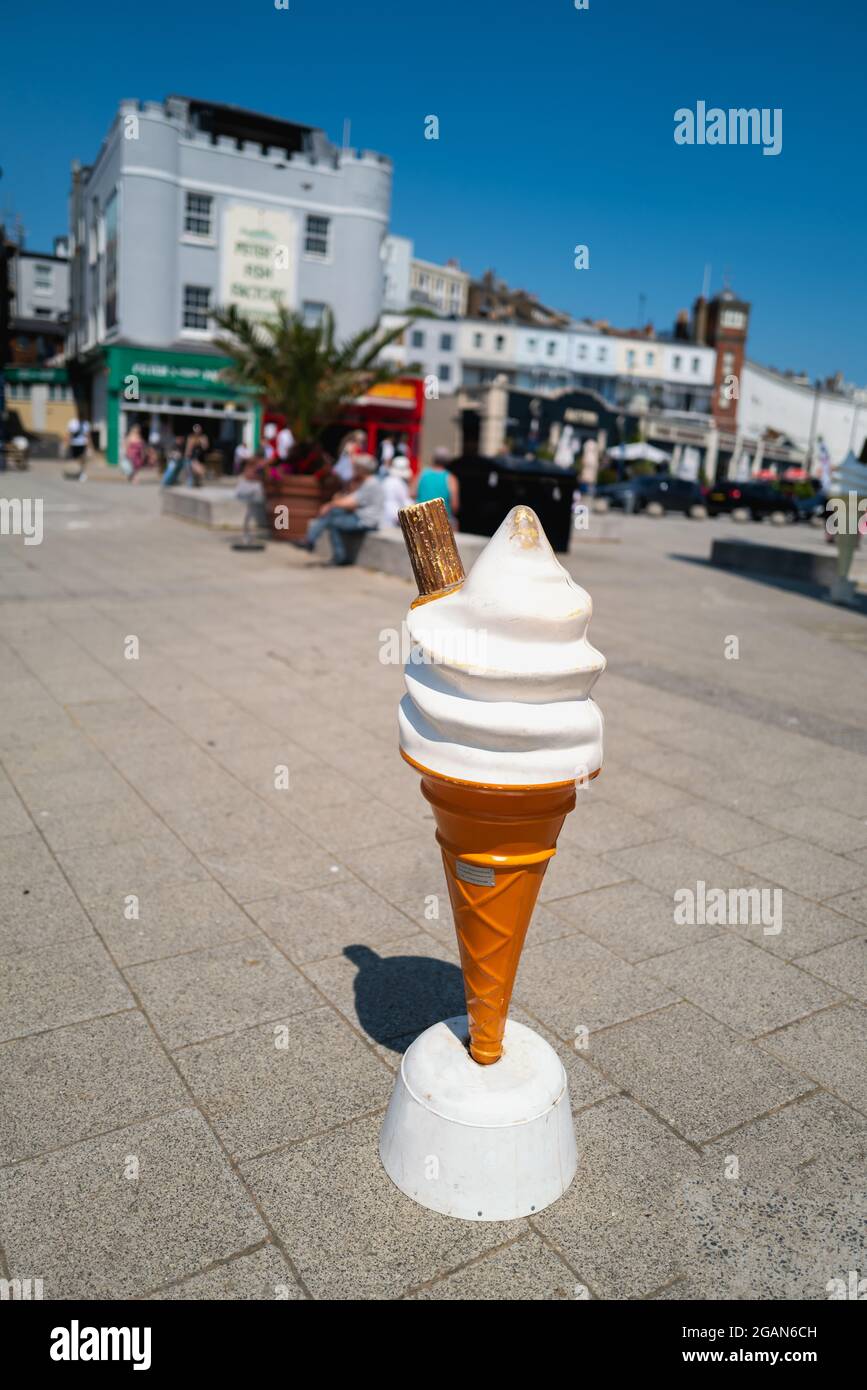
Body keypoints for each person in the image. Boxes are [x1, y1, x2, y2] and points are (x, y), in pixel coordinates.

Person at [293, 452, 383, 565]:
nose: (353, 470)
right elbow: (349, 499)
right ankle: (312, 542)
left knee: (332, 520)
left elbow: (352, 503)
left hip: (365, 521)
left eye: (355, 467)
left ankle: (315, 543)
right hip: (360, 517)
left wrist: (330, 504)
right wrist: (335, 502)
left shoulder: (371, 483)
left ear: (362, 469)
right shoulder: (367, 482)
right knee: (333, 514)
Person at [414, 446, 459, 524]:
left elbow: (412, 493)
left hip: (421, 517)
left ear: (433, 459)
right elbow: (454, 505)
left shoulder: (422, 474)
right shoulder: (450, 478)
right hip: (442, 520)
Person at [381, 455, 412, 526]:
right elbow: (406, 501)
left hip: (384, 513)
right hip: (394, 514)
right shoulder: (400, 483)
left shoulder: (386, 480)